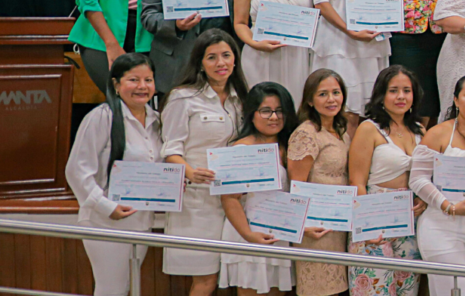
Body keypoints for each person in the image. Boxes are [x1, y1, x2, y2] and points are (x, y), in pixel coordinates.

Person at [159, 29, 248, 296]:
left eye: (226, 55)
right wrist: (189, 172)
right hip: (198, 201)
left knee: (235, 279)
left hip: (236, 201)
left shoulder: (243, 98)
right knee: (206, 280)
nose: (221, 63)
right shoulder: (182, 97)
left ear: (235, 59)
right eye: (212, 57)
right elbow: (170, 149)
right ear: (200, 63)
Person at [64, 53, 162, 296]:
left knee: (128, 286)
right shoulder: (101, 117)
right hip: (105, 221)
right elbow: (76, 171)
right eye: (133, 80)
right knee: (111, 289)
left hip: (142, 221)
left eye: (148, 80)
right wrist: (106, 206)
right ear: (116, 84)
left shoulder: (157, 121)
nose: (142, 86)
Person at [411, 74, 465, 296]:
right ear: (456, 99)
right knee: (455, 291)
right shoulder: (438, 133)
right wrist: (448, 207)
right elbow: (418, 179)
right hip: (441, 226)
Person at [347, 65, 426, 295]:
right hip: (375, 218)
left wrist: (423, 198)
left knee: (408, 289)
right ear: (381, 95)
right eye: (393, 90)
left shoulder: (420, 130)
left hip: (410, 221)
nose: (401, 96)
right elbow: (357, 181)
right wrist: (367, 227)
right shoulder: (368, 128)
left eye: (406, 91)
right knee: (375, 289)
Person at [217, 83, 298, 296]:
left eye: (280, 110)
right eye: (266, 111)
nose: (274, 117)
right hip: (249, 234)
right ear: (251, 114)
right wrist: (249, 235)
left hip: (280, 233)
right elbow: (229, 199)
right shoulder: (241, 149)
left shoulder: (290, 145)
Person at [287, 69, 353, 296]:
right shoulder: (306, 133)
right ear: (310, 100)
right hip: (315, 228)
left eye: (336, 92)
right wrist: (303, 226)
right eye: (323, 94)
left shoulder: (341, 131)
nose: (331, 99)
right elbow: (296, 185)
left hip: (338, 225)